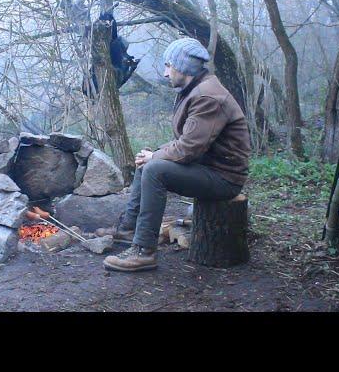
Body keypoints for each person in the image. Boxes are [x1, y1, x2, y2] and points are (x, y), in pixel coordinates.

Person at [97, 37, 251, 272]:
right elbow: (188, 140)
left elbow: (189, 148)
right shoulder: (195, 89)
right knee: (148, 161)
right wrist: (155, 153)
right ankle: (129, 229)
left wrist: (155, 158)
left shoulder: (206, 96)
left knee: (155, 169)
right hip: (208, 167)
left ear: (181, 67)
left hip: (224, 178)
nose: (166, 73)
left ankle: (143, 251)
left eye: (168, 65)